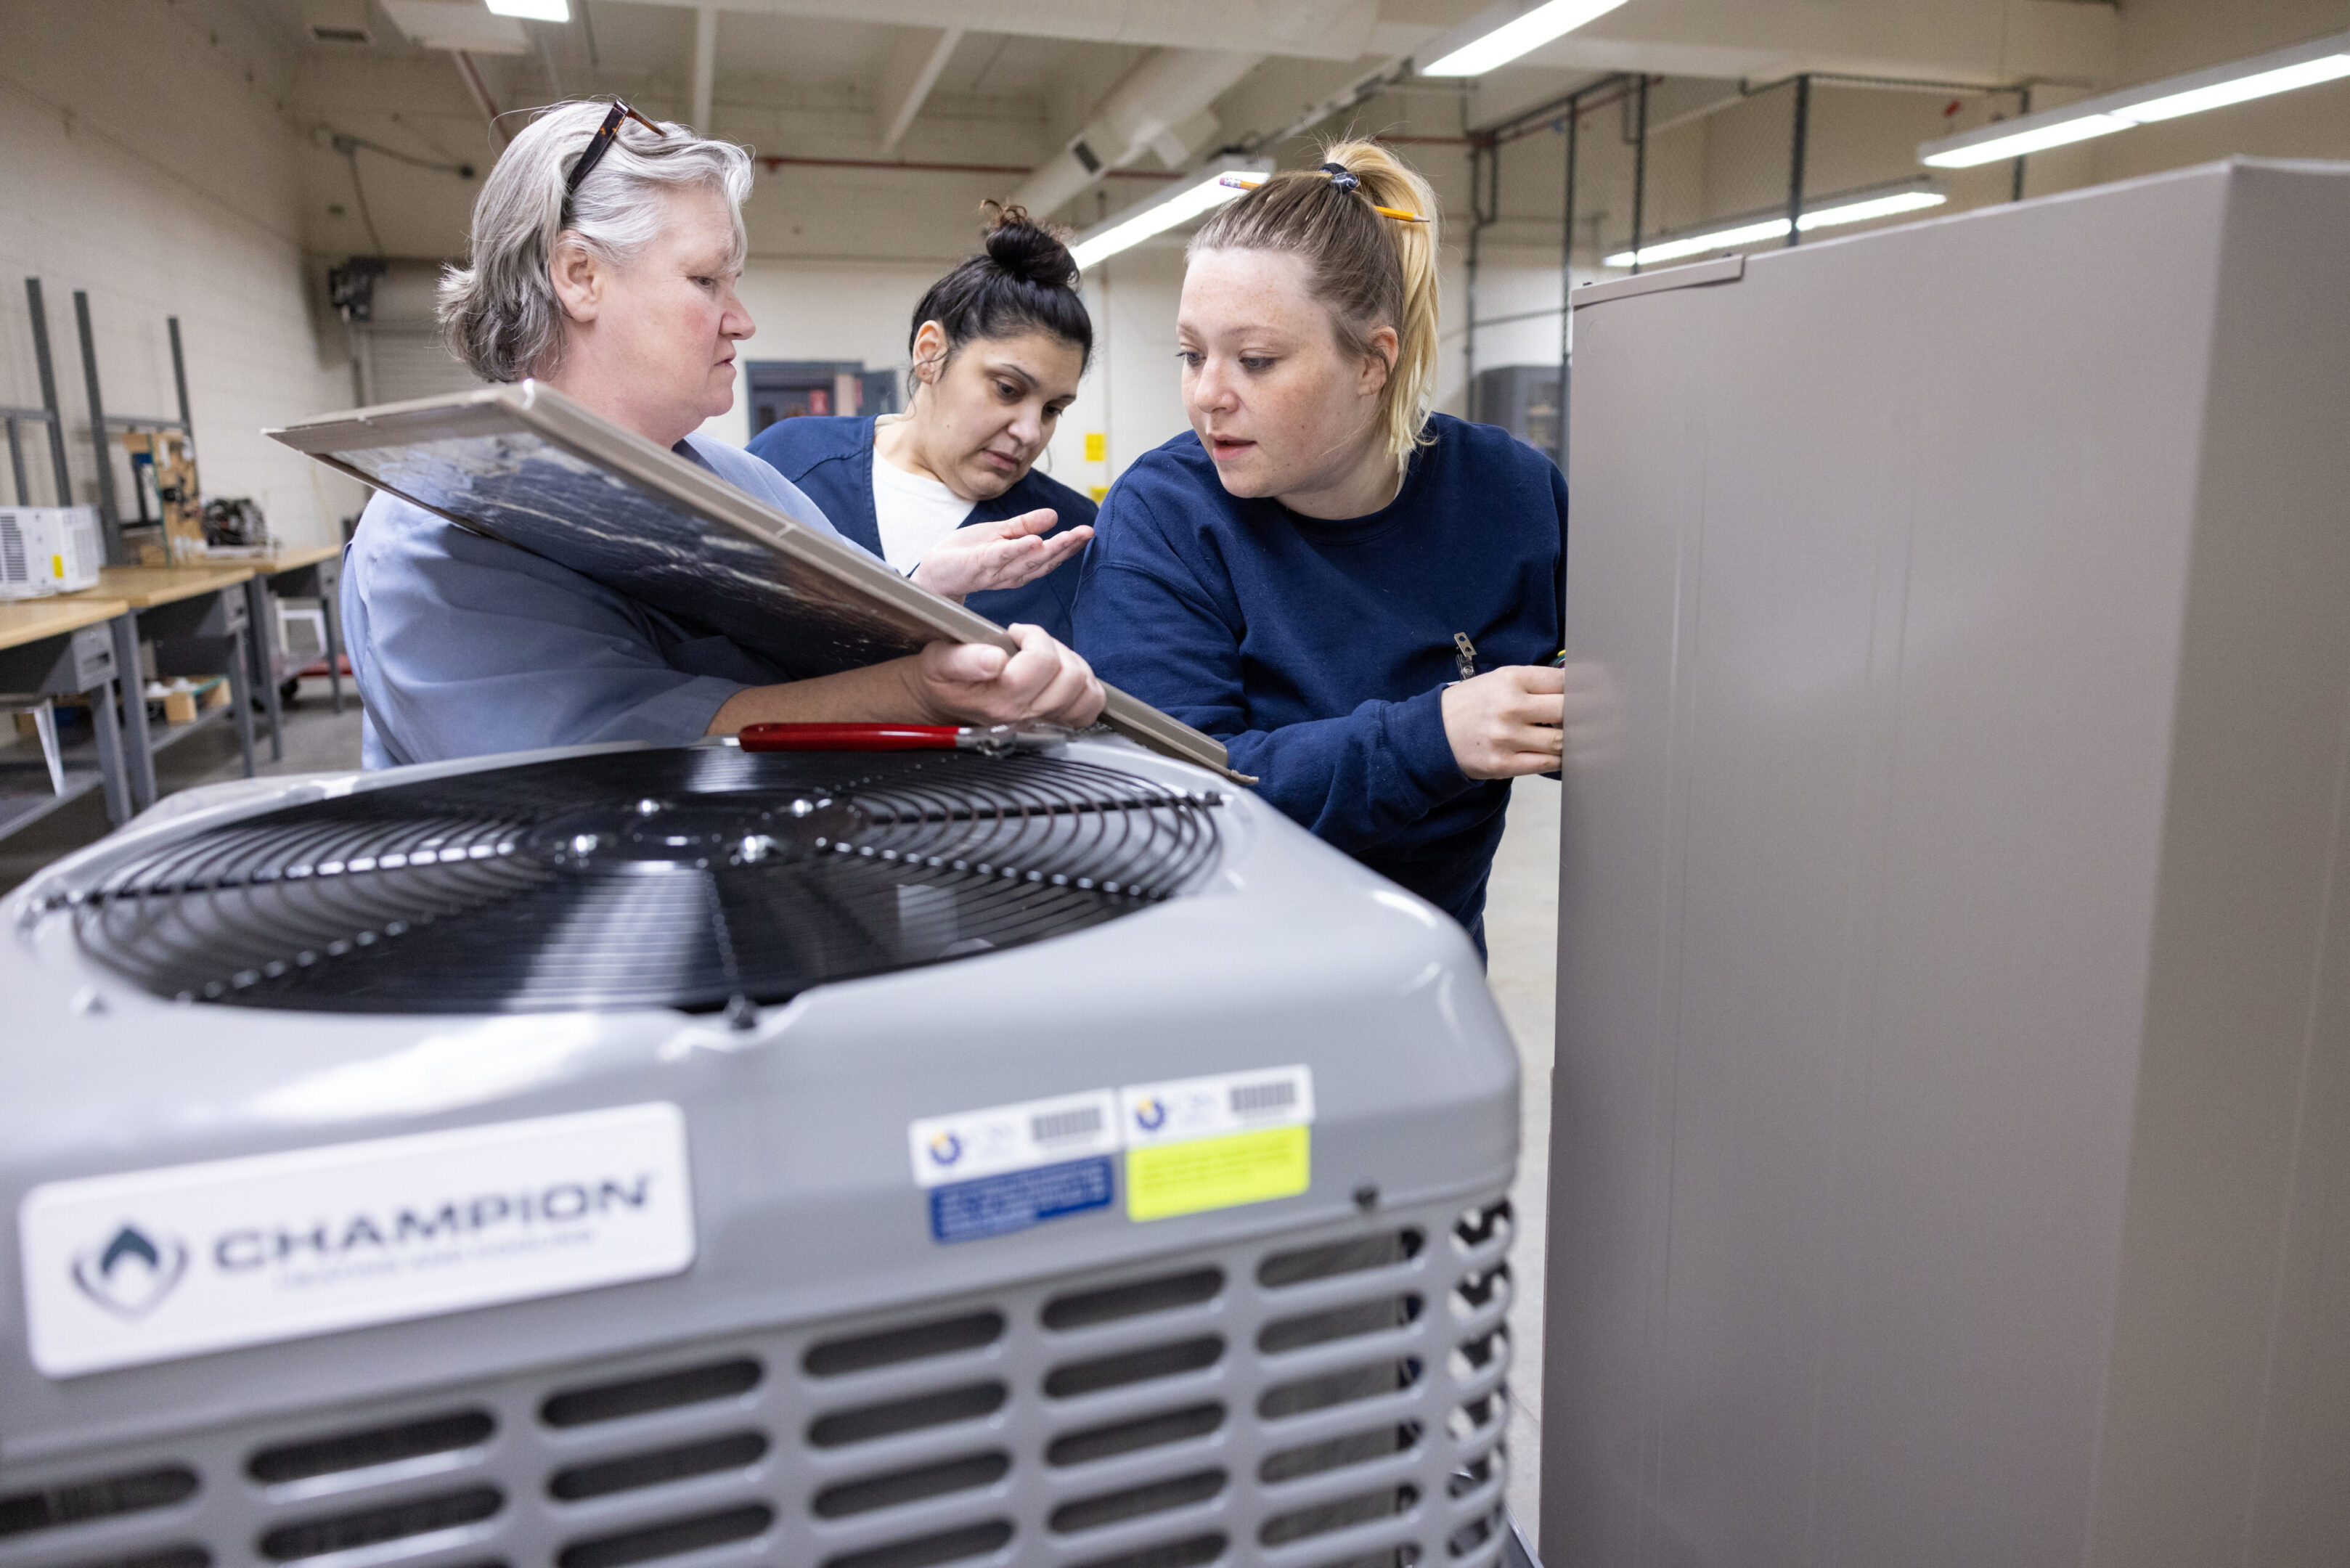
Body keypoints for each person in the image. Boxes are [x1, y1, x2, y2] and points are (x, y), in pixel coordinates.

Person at [343, 99, 1099, 769]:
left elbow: (813, 643)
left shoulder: (740, 483)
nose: (741, 319)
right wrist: (916, 692)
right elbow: (615, 768)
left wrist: (915, 598)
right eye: (708, 281)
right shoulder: (437, 535)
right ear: (579, 276)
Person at [1074, 142, 1610, 950]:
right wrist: (1435, 737)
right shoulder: (1165, 517)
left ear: (1373, 363)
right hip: (1218, 973)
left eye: (1255, 360)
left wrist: (1587, 716)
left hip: (1429, 970)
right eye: (1192, 355)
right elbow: (1180, 791)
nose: (1207, 394)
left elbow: (1624, 690)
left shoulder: (1512, 494)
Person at [747, 208, 1096, 642]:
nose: (1030, 433)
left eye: (1052, 410)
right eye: (1008, 389)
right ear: (930, 353)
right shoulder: (789, 463)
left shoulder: (1064, 541)